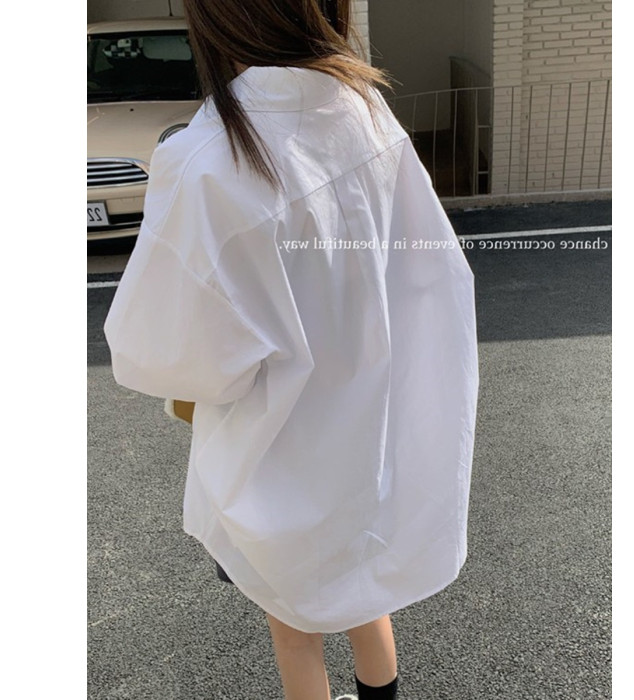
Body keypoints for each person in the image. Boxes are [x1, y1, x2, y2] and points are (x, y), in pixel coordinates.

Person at [103, 1, 479, 699]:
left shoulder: (208, 158)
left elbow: (163, 349)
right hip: (369, 422)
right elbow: (429, 272)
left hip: (281, 443)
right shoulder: (363, 109)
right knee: (362, 585)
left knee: (294, 623)